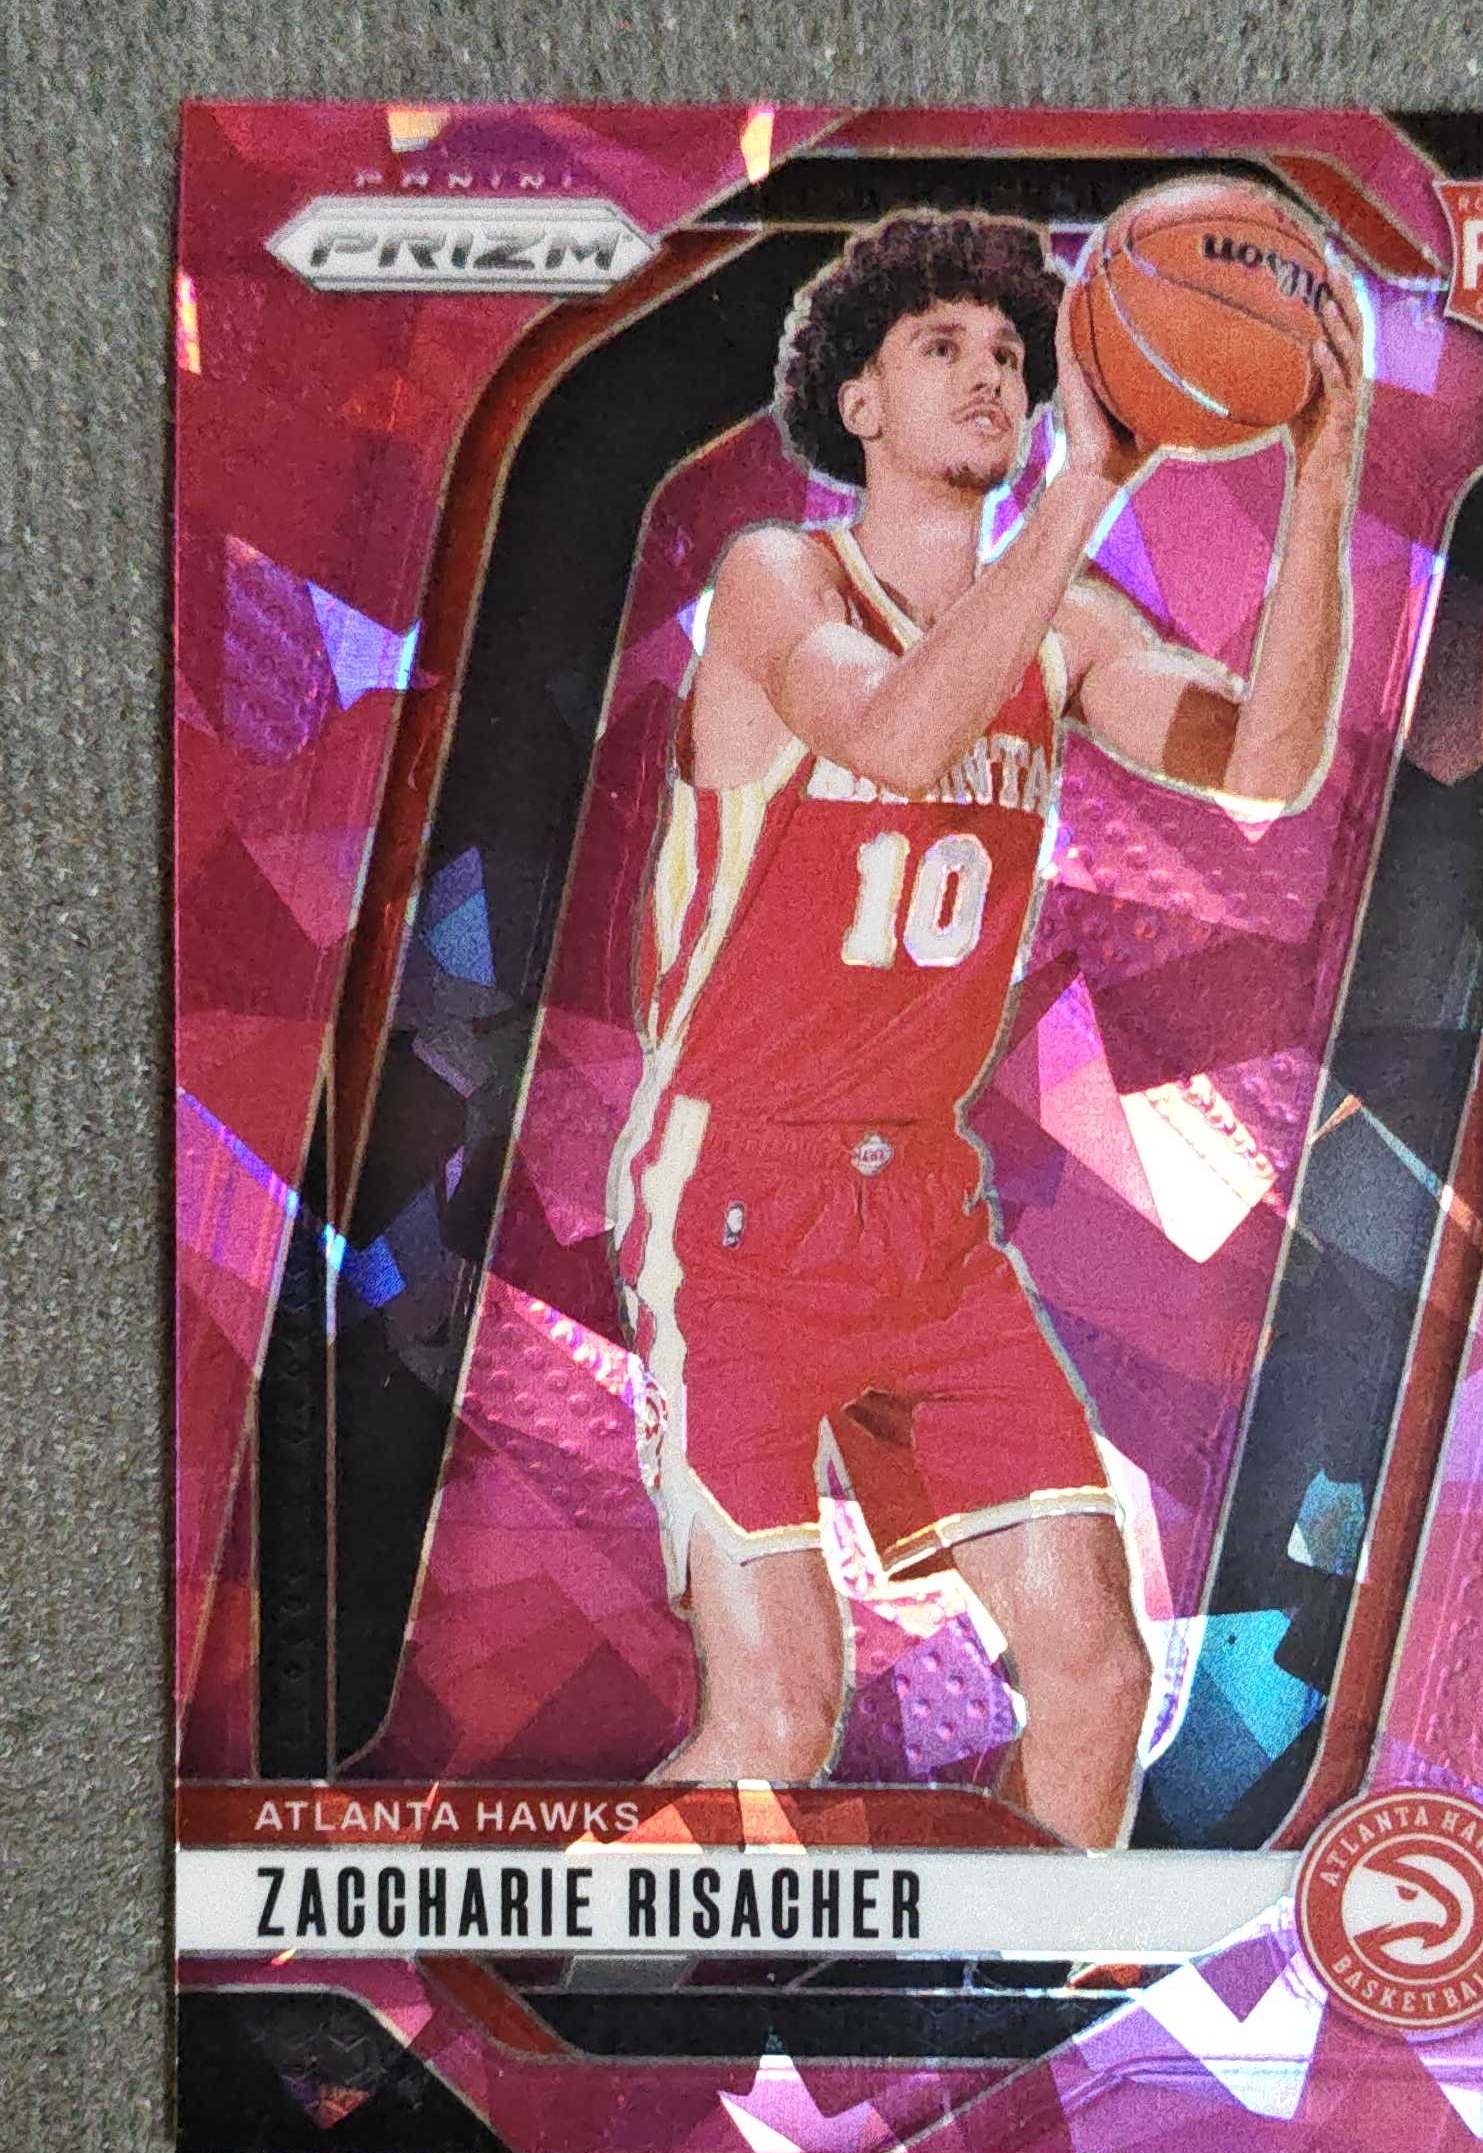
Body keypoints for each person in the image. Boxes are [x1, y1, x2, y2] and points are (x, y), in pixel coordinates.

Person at [608, 206, 1366, 1849]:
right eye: (940, 347)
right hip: (732, 1198)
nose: (990, 376)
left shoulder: (1064, 626)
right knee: (777, 1720)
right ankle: (547, 1964)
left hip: (924, 1211)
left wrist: (1322, 471)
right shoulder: (778, 581)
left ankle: (1022, 1992)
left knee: (1098, 1673)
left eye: (1014, 353)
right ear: (858, 402)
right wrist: (1087, 480)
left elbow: (1267, 766)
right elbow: (895, 733)